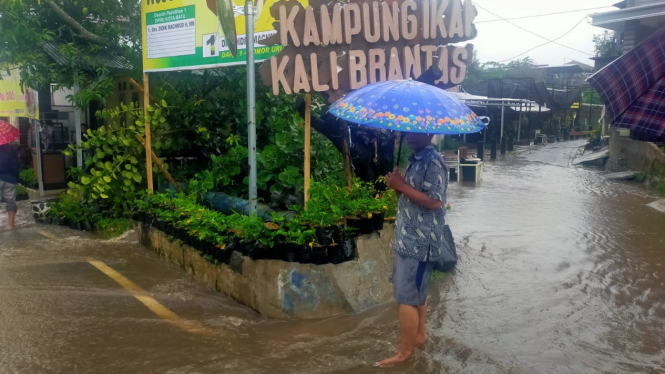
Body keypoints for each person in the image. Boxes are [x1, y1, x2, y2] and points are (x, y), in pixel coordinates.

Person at [377, 132, 448, 367]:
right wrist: (398, 185)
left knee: (406, 297)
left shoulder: (433, 161)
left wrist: (401, 186)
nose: (410, 136)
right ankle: (419, 336)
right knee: (415, 294)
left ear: (429, 133)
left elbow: (435, 201)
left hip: (419, 242)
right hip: (406, 238)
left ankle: (404, 353)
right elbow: (409, 196)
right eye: (409, 131)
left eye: (417, 132)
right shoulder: (415, 159)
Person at [0, 143, 20, 230]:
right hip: (10, 179)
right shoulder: (11, 150)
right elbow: (16, 164)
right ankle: (11, 225)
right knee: (11, 202)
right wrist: (16, 178)